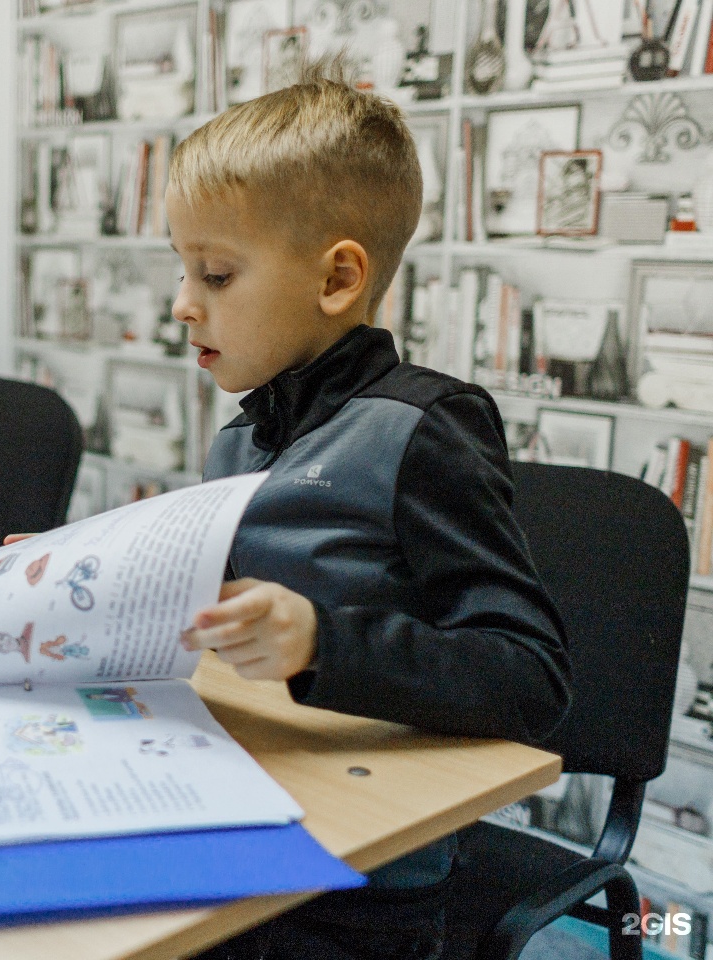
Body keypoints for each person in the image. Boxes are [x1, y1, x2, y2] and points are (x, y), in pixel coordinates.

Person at [168, 59, 571, 960]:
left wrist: (321, 642)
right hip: (240, 813)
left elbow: (531, 678)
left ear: (337, 279)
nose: (183, 303)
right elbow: (218, 629)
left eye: (216, 274)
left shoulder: (424, 430)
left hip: (360, 884)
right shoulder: (240, 438)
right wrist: (85, 579)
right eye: (183, 270)